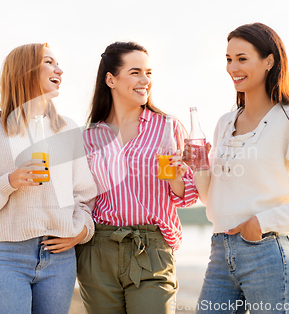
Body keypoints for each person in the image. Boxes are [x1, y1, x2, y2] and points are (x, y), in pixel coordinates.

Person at [186, 23, 289, 313]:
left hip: (267, 253)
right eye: (228, 59)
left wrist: (258, 225)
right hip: (220, 251)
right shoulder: (224, 123)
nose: (232, 67)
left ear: (269, 61)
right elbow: (212, 198)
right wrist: (197, 165)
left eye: (242, 58)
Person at [0, 43, 97, 314]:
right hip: (7, 256)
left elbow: (84, 196)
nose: (60, 69)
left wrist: (80, 231)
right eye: (49, 62)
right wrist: (10, 181)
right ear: (25, 70)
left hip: (59, 257)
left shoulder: (68, 129)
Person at [76, 41, 199, 314]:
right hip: (98, 250)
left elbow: (186, 195)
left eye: (149, 72)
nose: (145, 80)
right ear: (111, 79)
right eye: (135, 72)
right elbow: (83, 198)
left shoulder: (166, 127)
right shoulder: (89, 136)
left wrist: (176, 175)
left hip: (152, 248)